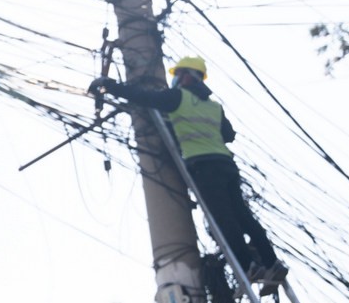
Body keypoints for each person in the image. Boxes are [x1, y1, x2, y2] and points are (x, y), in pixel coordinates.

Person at [89, 56, 288, 288]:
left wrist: (108, 84)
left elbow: (144, 97)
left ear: (186, 76)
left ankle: (248, 266)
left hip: (204, 167)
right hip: (227, 165)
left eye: (177, 75)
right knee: (243, 216)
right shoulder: (214, 106)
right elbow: (228, 135)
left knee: (224, 219)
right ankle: (272, 262)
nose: (175, 79)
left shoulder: (178, 97)